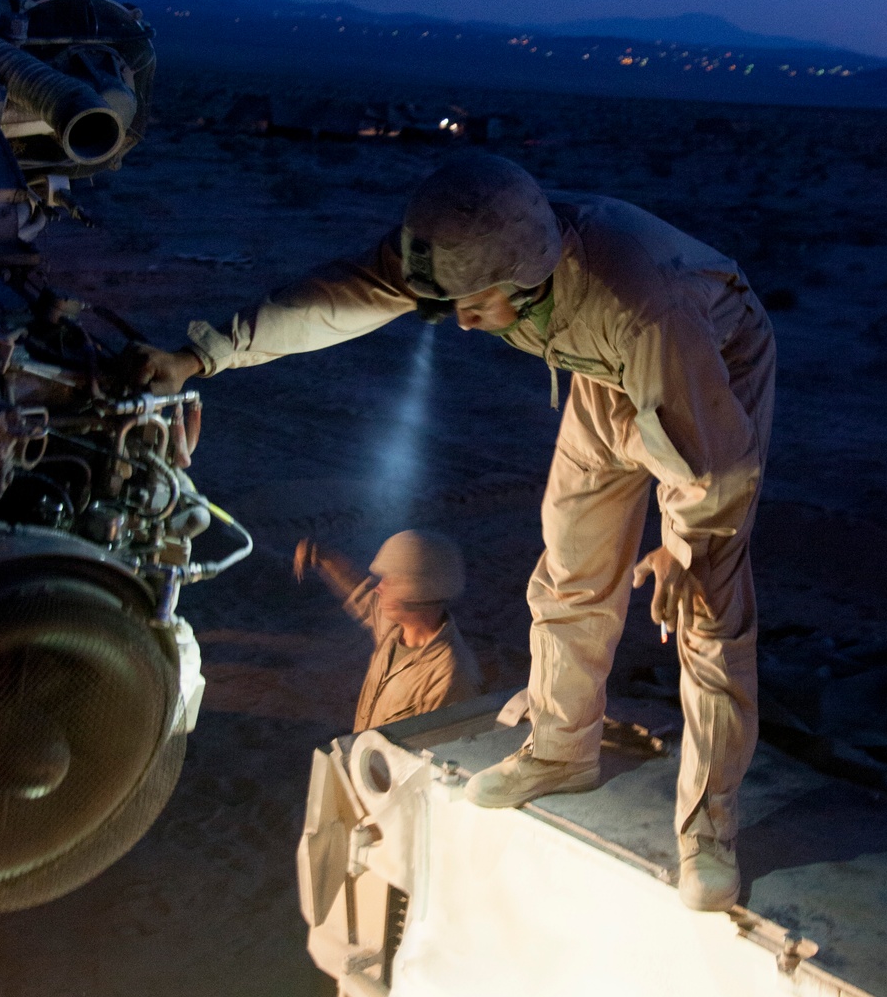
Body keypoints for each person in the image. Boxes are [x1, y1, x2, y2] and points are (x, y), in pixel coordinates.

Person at [135, 152, 775, 912]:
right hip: (603, 375)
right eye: (448, 304)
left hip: (709, 375)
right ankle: (561, 750)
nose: (460, 322)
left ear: (529, 280)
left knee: (702, 607)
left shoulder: (646, 304)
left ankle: (709, 829)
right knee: (571, 567)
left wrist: (682, 547)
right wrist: (198, 355)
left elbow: (720, 466)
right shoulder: (472, 246)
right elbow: (332, 298)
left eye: (473, 305)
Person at [294, 529, 480, 731]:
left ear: (416, 592)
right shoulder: (394, 629)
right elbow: (360, 592)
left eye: (389, 580)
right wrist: (324, 556)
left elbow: (439, 752)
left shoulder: (449, 678)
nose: (378, 588)